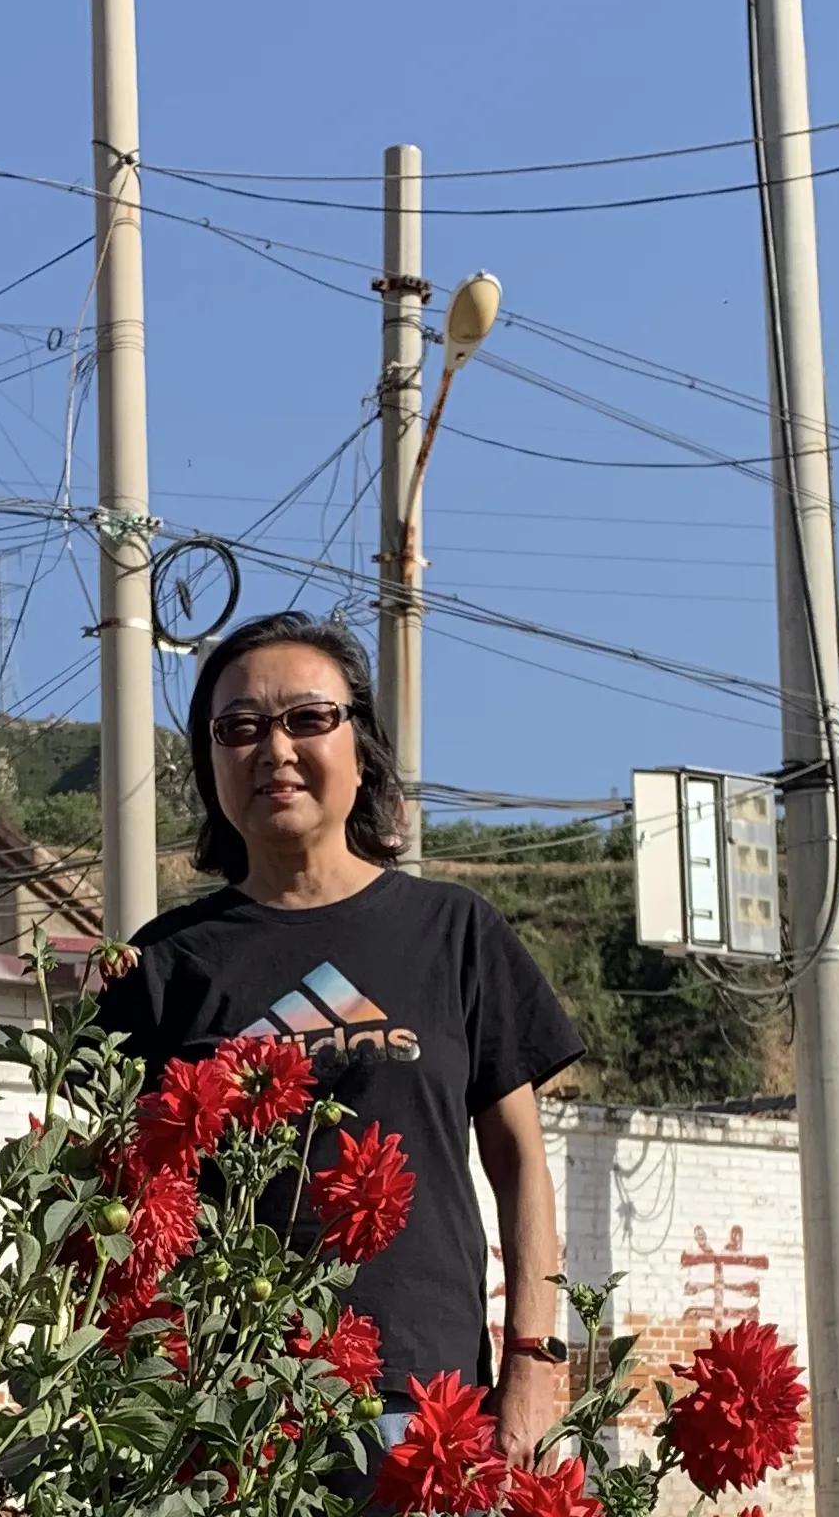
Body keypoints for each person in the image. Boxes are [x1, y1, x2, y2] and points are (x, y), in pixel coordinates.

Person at [92, 611, 581, 1461]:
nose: (274, 749)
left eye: (307, 719)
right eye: (239, 727)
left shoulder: (453, 933)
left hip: (425, 1406)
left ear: (363, 749)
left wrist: (533, 1361)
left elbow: (520, 1164)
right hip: (224, 1410)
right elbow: (117, 1204)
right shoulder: (162, 966)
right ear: (211, 766)